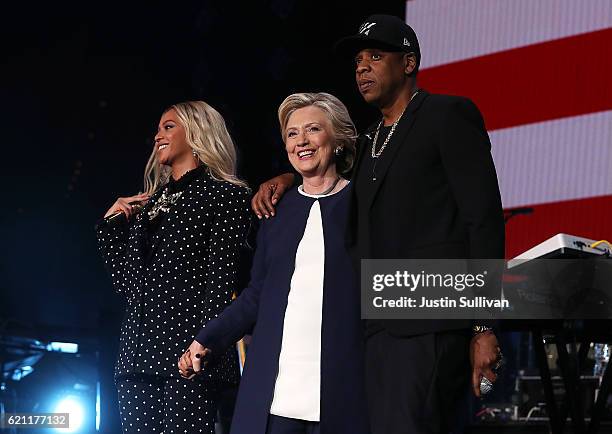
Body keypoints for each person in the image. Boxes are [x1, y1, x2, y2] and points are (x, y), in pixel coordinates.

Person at [251, 15, 505, 434]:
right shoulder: (370, 140)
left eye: (375, 56)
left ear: (408, 63)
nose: (362, 67)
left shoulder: (447, 115)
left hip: (433, 317)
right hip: (377, 325)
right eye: (357, 62)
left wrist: (484, 326)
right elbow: (325, 173)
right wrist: (287, 178)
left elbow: (484, 220)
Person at [178, 92, 369, 434]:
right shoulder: (276, 211)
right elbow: (256, 294)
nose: (301, 141)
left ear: (338, 139)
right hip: (277, 393)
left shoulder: (366, 205)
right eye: (292, 134)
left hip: (343, 390)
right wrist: (207, 339)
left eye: (312, 129)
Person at [96, 100, 251, 433]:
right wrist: (109, 227)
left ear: (196, 132)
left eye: (168, 127)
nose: (157, 136)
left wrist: (205, 344)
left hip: (188, 354)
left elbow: (220, 283)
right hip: (137, 357)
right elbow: (129, 286)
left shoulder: (224, 195)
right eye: (157, 128)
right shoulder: (151, 203)